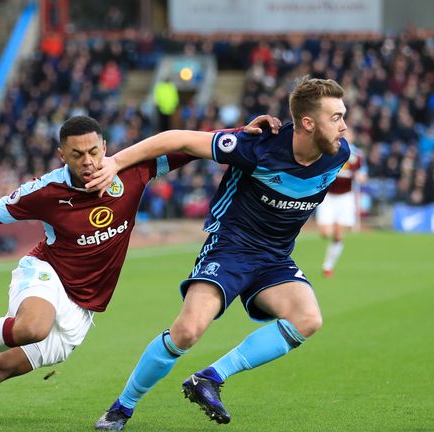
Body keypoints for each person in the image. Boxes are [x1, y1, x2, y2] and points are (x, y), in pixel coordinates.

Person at [0, 115, 275, 431]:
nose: (88, 161)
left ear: (105, 146)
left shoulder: (132, 171)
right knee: (32, 327)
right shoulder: (45, 191)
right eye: (77, 155)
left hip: (83, 310)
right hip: (45, 274)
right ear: (63, 155)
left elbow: (189, 146)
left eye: (94, 151)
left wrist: (244, 131)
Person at [86, 77, 350, 430]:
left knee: (308, 319)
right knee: (188, 331)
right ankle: (122, 407)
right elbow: (178, 139)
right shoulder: (258, 147)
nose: (344, 126)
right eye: (335, 117)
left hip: (275, 258)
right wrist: (115, 162)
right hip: (230, 247)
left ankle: (209, 378)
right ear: (307, 123)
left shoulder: (338, 155)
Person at [315, 135, 366, 277]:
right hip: (328, 196)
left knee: (338, 234)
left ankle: (328, 266)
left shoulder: (356, 156)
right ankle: (328, 262)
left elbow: (363, 174)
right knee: (325, 233)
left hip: (345, 197)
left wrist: (360, 177)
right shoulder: (329, 151)